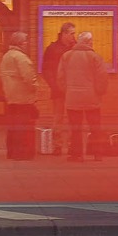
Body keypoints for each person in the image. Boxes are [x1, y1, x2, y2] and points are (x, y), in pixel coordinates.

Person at [57, 31, 108, 162]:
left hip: (72, 97)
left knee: (75, 128)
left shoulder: (66, 56)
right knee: (95, 126)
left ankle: (77, 154)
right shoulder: (95, 57)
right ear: (89, 42)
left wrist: (67, 91)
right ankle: (98, 154)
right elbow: (102, 77)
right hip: (92, 97)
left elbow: (60, 78)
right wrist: (99, 92)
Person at [0, 31, 39, 160]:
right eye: (25, 41)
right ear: (20, 43)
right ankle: (24, 154)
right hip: (23, 98)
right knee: (25, 128)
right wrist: (35, 88)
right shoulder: (21, 57)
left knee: (13, 127)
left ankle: (12, 152)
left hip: (11, 97)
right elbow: (29, 78)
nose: (27, 44)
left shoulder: (6, 56)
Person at [41, 22, 76, 155]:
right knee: (58, 118)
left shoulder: (76, 48)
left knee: (74, 118)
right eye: (72, 33)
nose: (74, 36)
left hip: (73, 89)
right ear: (64, 33)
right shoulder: (53, 49)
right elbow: (47, 70)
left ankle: (73, 144)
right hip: (59, 90)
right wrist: (54, 85)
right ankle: (58, 145)